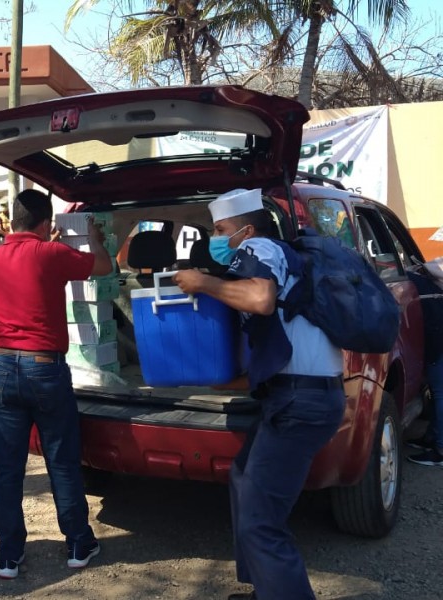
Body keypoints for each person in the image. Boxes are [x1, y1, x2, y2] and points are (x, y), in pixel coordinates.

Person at [172, 188, 346, 600]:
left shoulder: (261, 248)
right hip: (293, 396)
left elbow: (261, 300)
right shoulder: (270, 258)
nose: (213, 237)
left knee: (261, 522)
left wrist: (203, 281)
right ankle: (266, 590)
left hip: (301, 400)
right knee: (242, 477)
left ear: (246, 230)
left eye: (220, 229)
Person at [0, 189, 112, 579]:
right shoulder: (53, 255)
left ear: (12, 222)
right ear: (46, 223)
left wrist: (48, 245)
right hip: (45, 369)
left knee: (8, 468)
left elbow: (30, 268)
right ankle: (77, 543)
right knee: (61, 460)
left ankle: (9, 555)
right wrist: (94, 238)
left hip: (4, 368)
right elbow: (103, 267)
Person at [406, 266, 443, 466]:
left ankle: (440, 449)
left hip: (438, 342)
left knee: (440, 394)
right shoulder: (428, 282)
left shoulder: (417, 280)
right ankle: (433, 438)